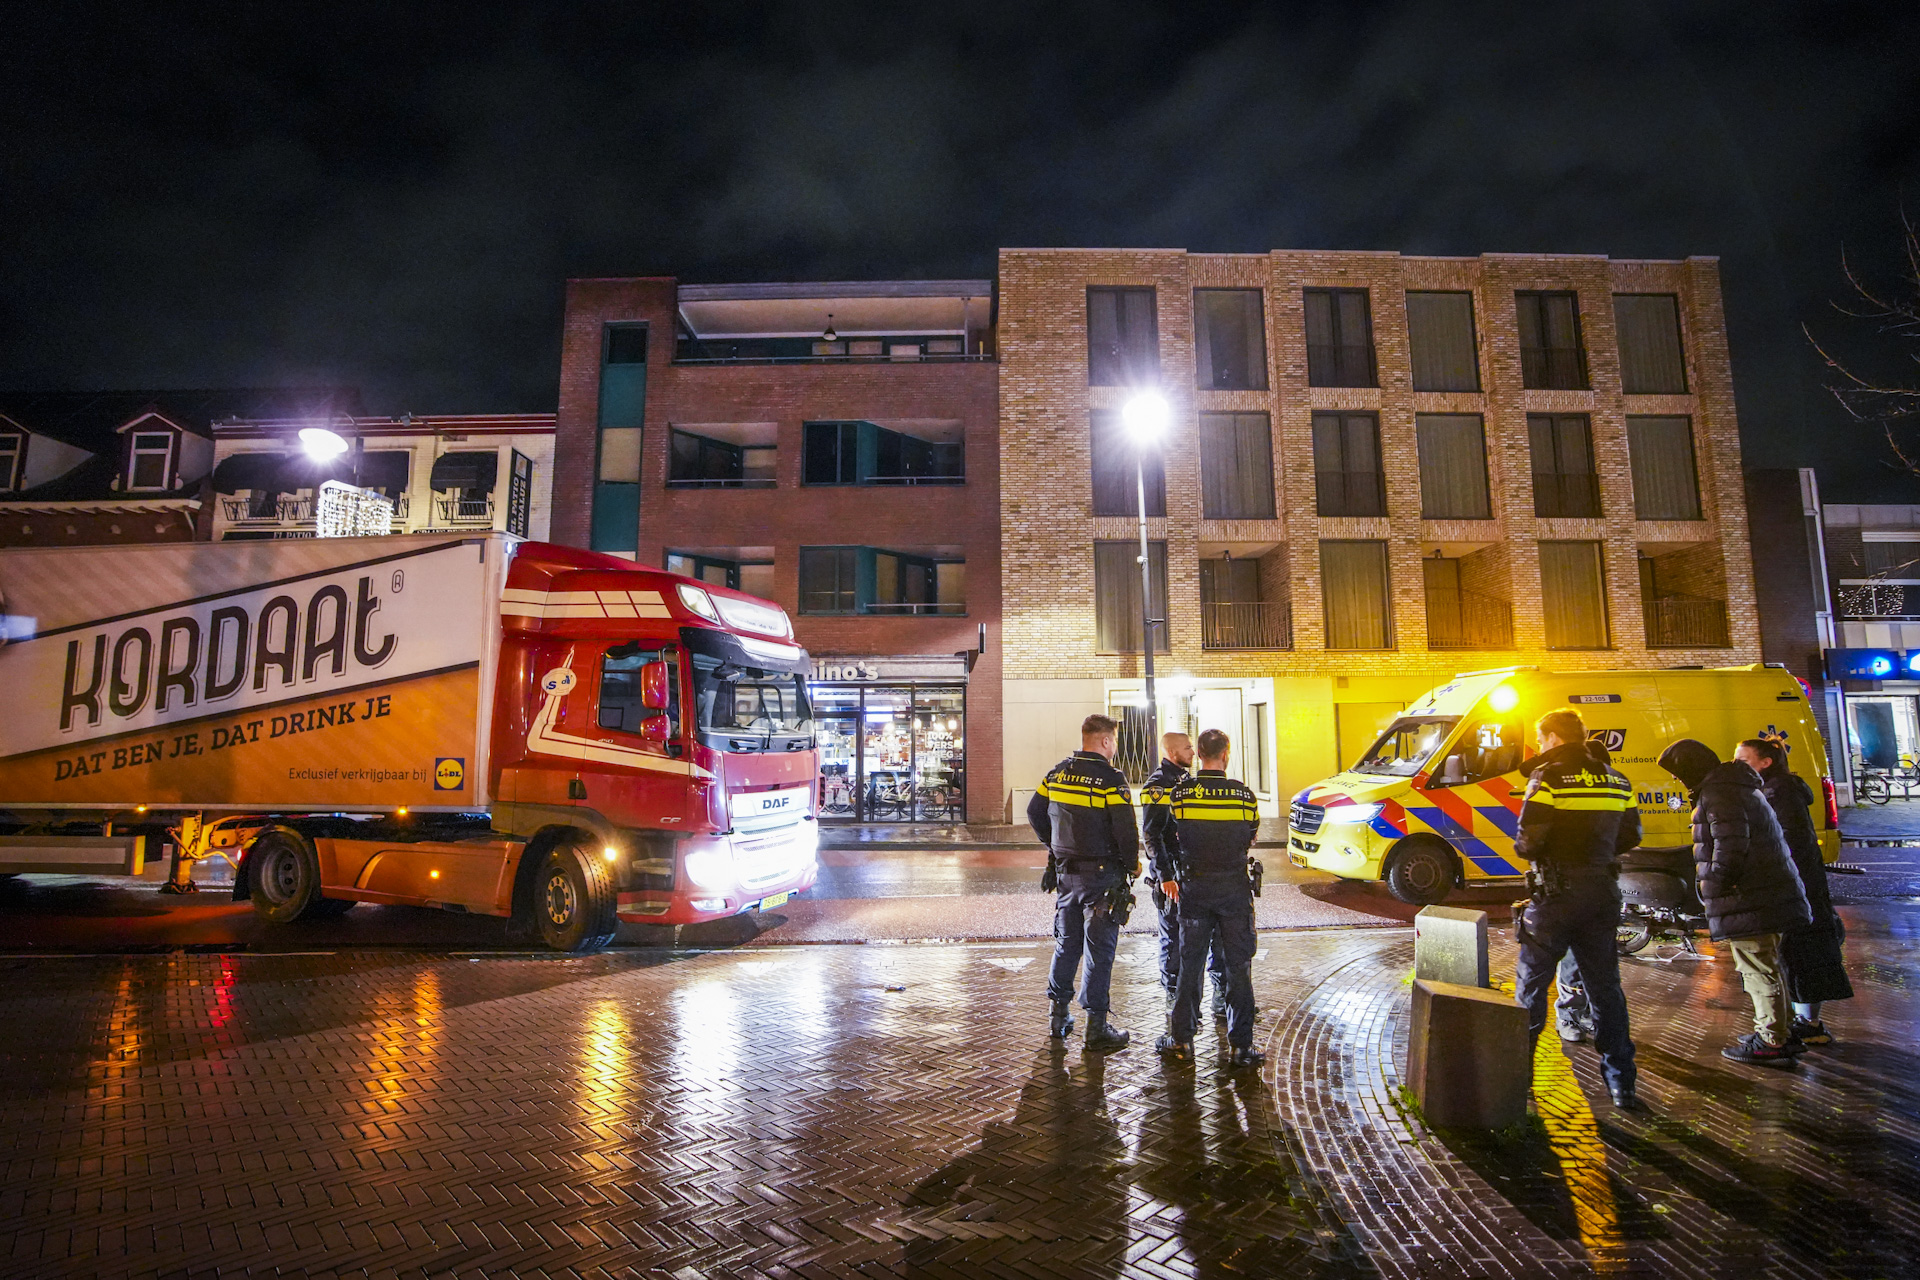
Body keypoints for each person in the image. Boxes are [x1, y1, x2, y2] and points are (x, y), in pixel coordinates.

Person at [1512, 708, 1642, 1108]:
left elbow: (1528, 841)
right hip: (1602, 892)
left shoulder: (1548, 777)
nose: (1540, 747)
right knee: (1605, 988)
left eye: (1541, 739)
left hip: (1555, 896)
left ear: (1553, 737)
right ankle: (1621, 1084)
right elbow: (1632, 834)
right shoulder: (1617, 779)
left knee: (1532, 987)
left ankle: (1518, 1081)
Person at [1658, 738, 1813, 1068]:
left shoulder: (1719, 793)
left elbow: (1729, 850)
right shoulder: (1733, 787)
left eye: (1677, 772)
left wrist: (1714, 885)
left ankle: (1771, 1040)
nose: (1675, 779)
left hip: (1750, 897)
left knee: (1757, 969)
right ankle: (1779, 1031)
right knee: (1766, 965)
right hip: (1765, 894)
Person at [1154, 728, 1263, 1069]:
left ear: (1199, 754)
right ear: (1226, 754)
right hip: (1234, 891)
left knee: (1190, 965)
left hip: (1195, 890)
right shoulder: (1244, 796)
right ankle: (1242, 1046)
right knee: (1238, 967)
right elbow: (1251, 836)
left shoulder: (1182, 794)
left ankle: (1182, 1039)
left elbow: (1169, 834)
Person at [1029, 713, 1139, 1051]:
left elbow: (1034, 811)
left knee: (1067, 945)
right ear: (1105, 741)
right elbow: (1125, 828)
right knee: (1099, 951)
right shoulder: (1110, 779)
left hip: (1067, 874)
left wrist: (1054, 846)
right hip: (1102, 877)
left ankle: (1058, 1017)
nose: (1115, 747)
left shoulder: (1058, 772)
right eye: (1114, 741)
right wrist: (1133, 864)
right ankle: (1096, 1027)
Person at [1734, 738, 1853, 1045]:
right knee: (1799, 952)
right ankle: (1804, 1023)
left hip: (1796, 886)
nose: (1736, 765)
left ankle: (1808, 1026)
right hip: (1798, 884)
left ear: (1765, 763)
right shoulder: (1776, 789)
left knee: (1802, 952)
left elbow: (1786, 840)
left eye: (1743, 760)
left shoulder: (1779, 792)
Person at [1140, 731, 1227, 1013]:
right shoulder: (1158, 786)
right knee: (1174, 937)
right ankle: (1174, 995)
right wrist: (1165, 876)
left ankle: (1217, 993)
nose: (1192, 752)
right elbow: (1152, 835)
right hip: (1173, 874)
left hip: (1192, 871)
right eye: (1187, 747)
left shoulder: (1187, 782)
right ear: (1171, 751)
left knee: (1208, 934)